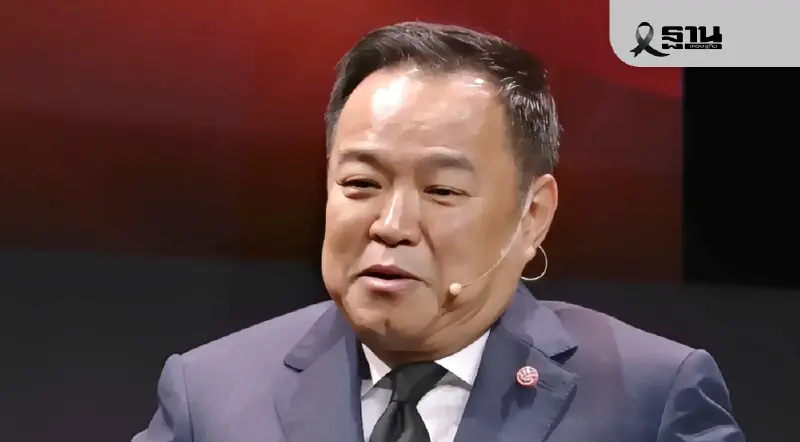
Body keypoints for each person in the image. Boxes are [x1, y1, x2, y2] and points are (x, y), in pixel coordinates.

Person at [133, 21, 744, 442]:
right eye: (361, 183)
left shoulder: (649, 396)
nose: (391, 226)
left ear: (533, 215)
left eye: (443, 191)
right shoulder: (209, 394)